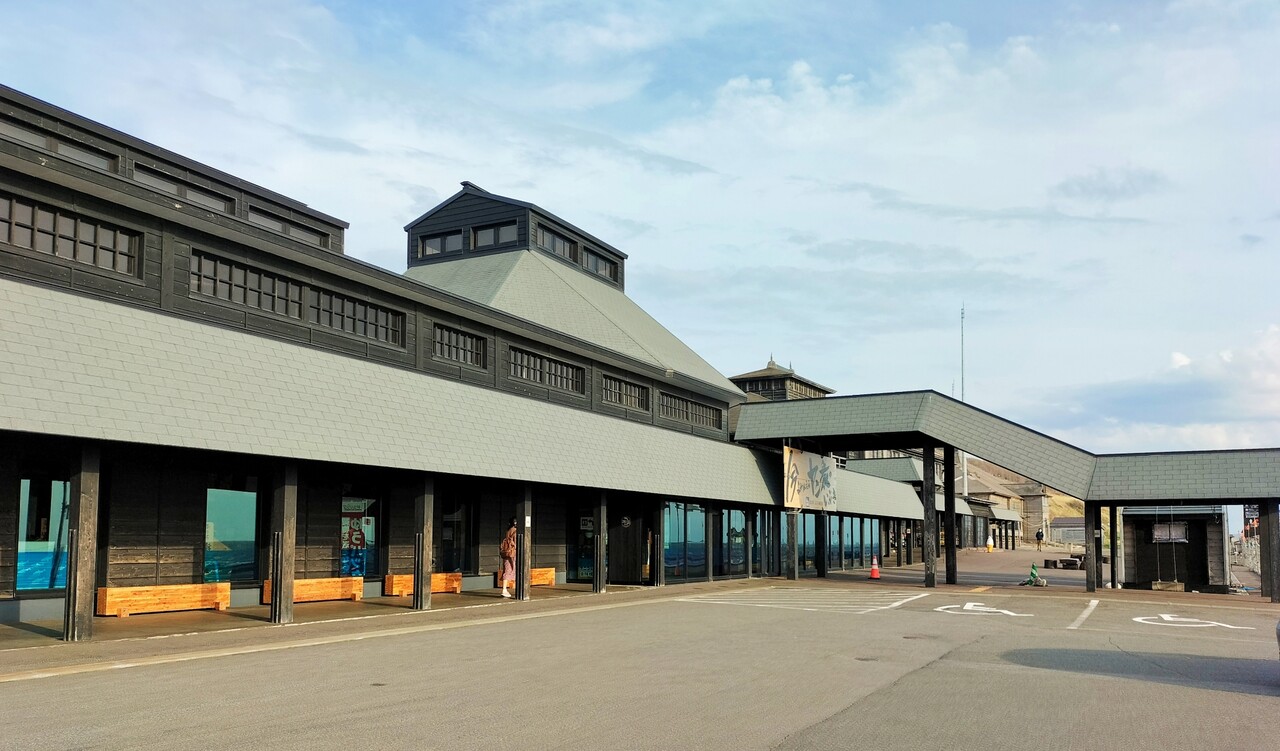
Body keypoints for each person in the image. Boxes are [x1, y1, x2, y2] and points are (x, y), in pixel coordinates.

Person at [499, 518, 517, 598]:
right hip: (513, 553)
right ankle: (505, 590)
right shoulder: (515, 531)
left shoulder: (508, 531)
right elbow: (516, 543)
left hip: (506, 553)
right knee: (515, 569)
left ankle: (504, 589)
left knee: (506, 569)